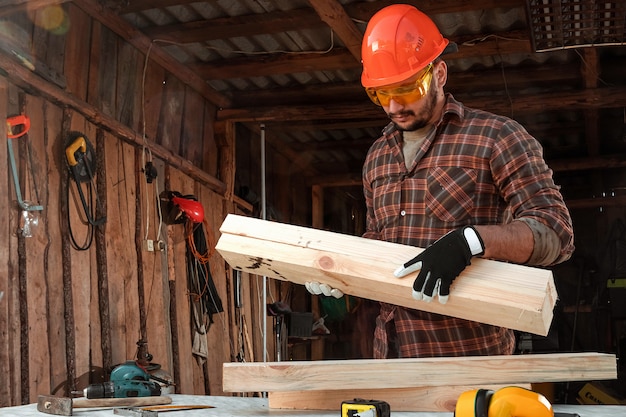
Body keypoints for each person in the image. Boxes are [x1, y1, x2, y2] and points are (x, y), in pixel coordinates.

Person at [307, 4, 574, 359]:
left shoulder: (497, 137)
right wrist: (339, 273)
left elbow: (556, 233)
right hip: (391, 356)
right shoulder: (377, 156)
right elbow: (378, 240)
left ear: (440, 73)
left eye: (405, 88)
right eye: (381, 93)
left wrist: (473, 241)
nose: (393, 106)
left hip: (470, 356)